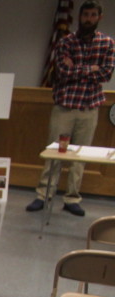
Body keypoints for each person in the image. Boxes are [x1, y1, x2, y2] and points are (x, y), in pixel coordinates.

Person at [28, 1, 115, 217]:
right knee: (55, 153)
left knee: (80, 155)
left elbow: (105, 74)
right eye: (85, 14)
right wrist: (90, 68)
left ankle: (72, 198)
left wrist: (77, 67)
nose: (88, 18)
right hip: (65, 106)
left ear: (99, 17)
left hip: (89, 107)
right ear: (79, 16)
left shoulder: (107, 43)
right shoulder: (66, 41)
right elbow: (62, 74)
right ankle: (43, 195)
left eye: (93, 15)